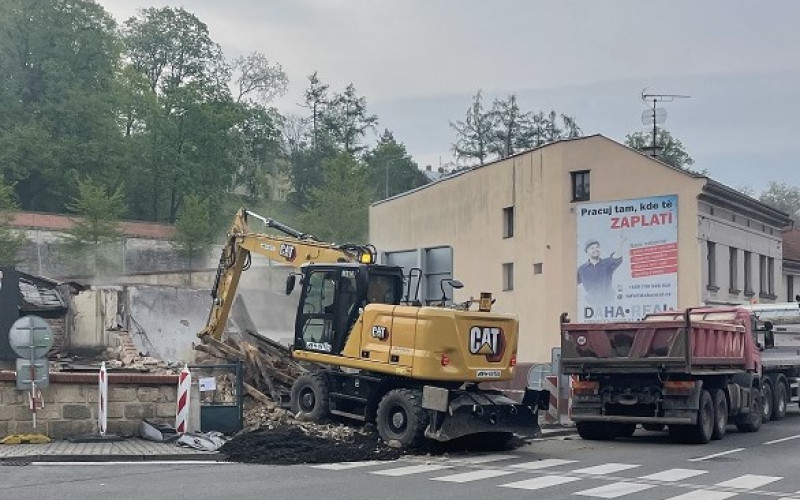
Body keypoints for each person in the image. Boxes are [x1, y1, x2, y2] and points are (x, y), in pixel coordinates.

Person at [577, 239, 623, 304]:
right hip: (590, 305)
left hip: (609, 303)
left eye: (597, 247)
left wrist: (621, 244)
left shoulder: (607, 263)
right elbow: (572, 284)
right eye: (592, 248)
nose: (595, 249)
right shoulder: (582, 269)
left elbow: (616, 258)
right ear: (586, 251)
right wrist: (580, 298)